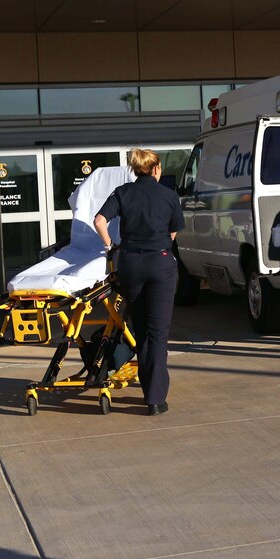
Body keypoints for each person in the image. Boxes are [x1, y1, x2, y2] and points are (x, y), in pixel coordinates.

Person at [95, 149, 185, 416]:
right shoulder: (169, 196)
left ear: (135, 170)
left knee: (141, 330)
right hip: (160, 264)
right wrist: (163, 244)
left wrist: (112, 247)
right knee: (158, 332)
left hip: (131, 265)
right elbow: (174, 229)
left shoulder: (123, 193)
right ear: (156, 169)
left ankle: (150, 390)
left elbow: (100, 221)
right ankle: (155, 399)